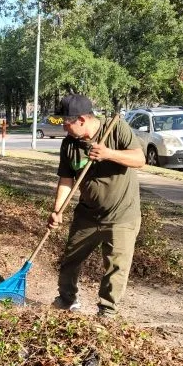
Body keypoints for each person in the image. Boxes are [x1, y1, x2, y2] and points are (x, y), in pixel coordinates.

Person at [48, 94, 146, 318]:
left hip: (122, 215)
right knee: (70, 260)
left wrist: (108, 154)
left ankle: (107, 312)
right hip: (87, 215)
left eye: (66, 122)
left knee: (115, 266)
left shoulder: (116, 129)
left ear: (81, 119)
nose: (64, 127)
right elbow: (66, 180)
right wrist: (57, 211)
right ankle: (67, 300)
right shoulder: (69, 144)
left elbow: (140, 159)